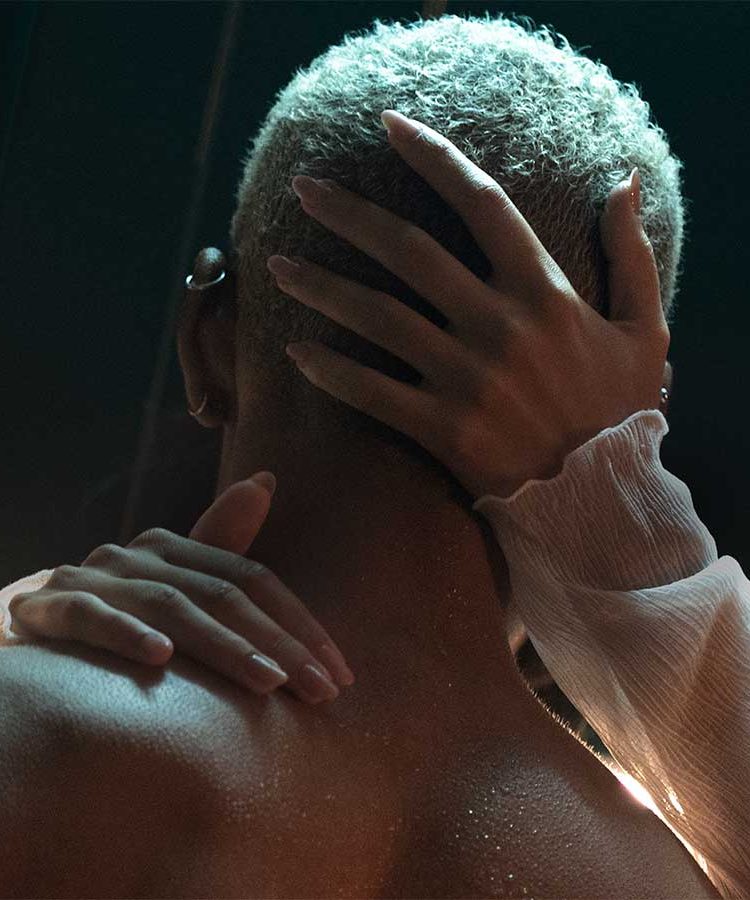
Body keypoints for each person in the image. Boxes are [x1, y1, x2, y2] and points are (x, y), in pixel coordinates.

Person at [0, 12, 732, 898]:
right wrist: (616, 504)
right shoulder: (670, 878)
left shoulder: (33, 736)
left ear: (204, 342)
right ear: (639, 419)